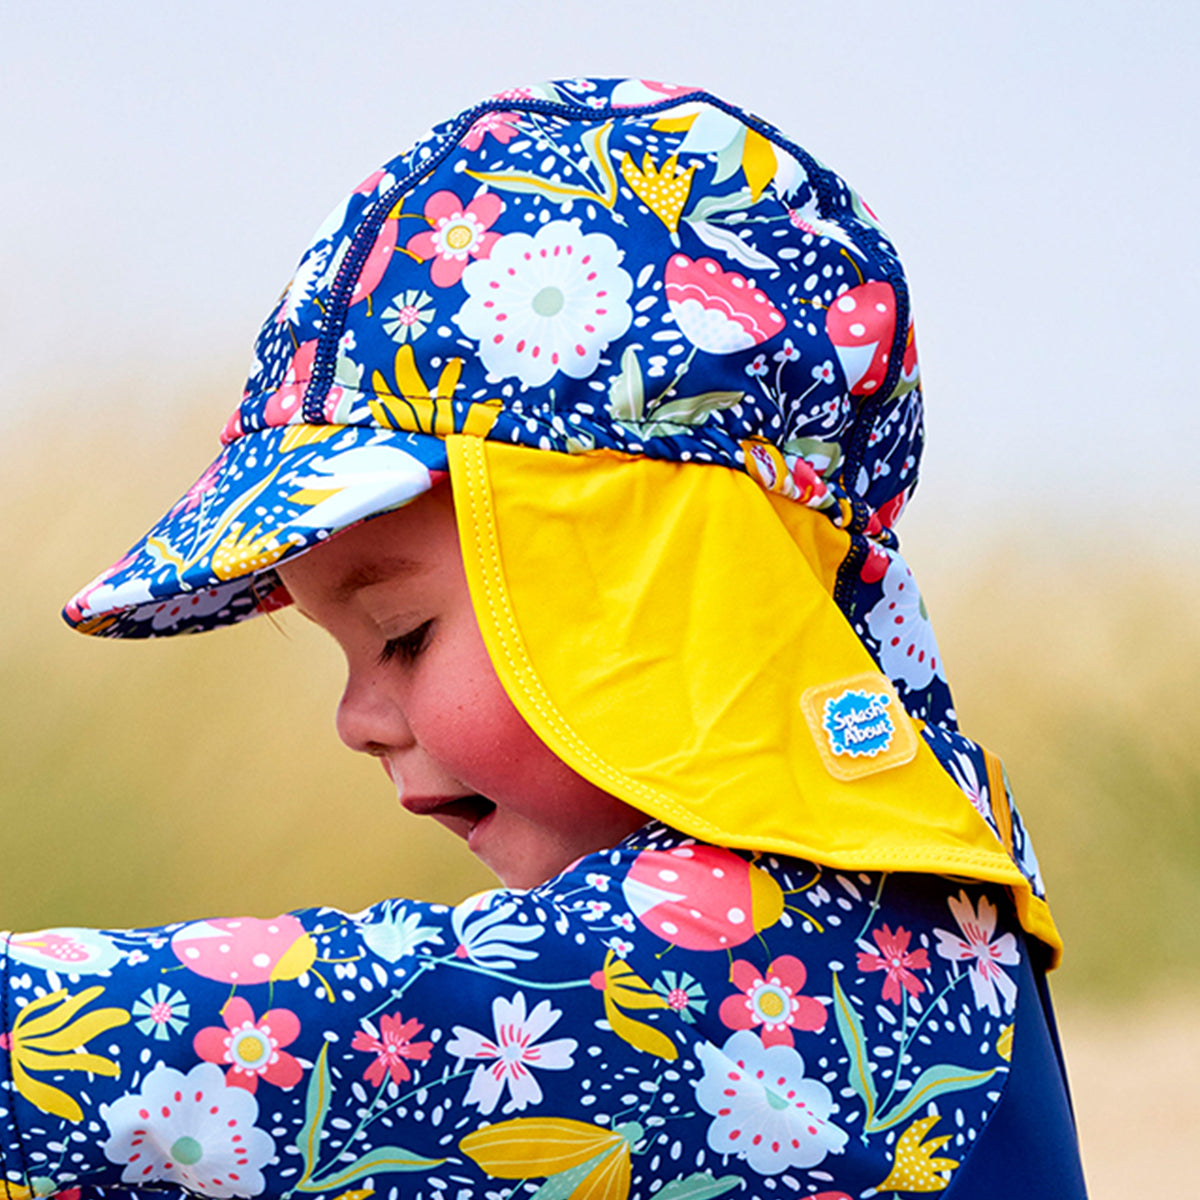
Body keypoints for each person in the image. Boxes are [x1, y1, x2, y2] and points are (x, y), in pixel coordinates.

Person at [3, 79, 1087, 1198]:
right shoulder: (907, 900)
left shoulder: (786, 977)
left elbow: (297, 1039)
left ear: (671, 588)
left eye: (404, 636)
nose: (352, 721)